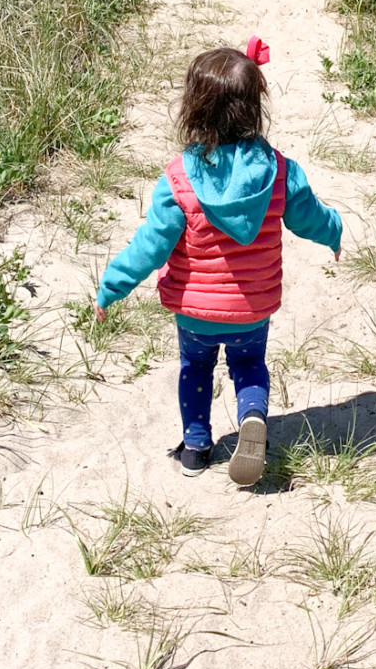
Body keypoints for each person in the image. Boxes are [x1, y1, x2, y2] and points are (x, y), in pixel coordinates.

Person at [93, 38, 342, 485]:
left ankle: (196, 445)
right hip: (252, 308)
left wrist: (112, 285)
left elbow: (149, 246)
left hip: (196, 312)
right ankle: (252, 417)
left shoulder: (179, 179)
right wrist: (334, 232)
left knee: (196, 368)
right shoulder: (279, 171)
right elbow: (310, 217)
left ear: (193, 109)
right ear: (255, 106)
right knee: (249, 365)